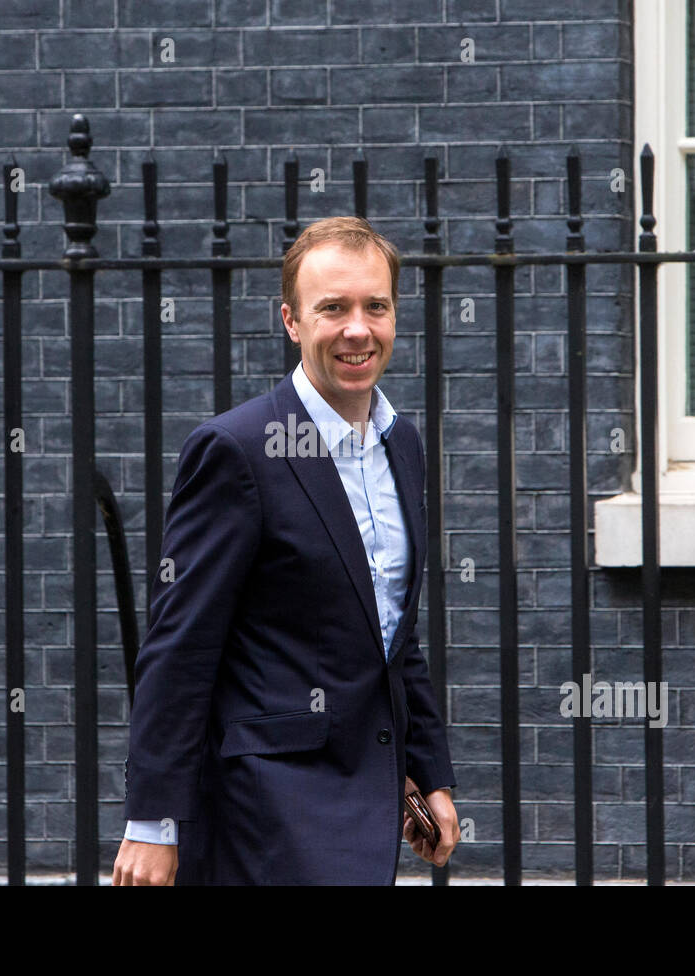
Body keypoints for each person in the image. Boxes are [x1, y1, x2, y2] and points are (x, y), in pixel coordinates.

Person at [112, 216, 458, 885]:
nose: (358, 329)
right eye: (333, 308)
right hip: (267, 813)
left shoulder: (402, 444)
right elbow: (179, 646)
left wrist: (428, 769)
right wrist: (154, 821)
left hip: (371, 801)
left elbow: (392, 635)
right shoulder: (237, 450)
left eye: (375, 307)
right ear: (292, 322)